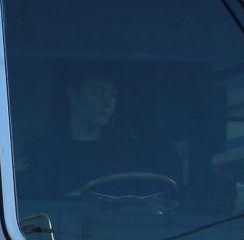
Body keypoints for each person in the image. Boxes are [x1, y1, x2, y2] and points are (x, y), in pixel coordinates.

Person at [17, 64, 181, 199]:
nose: (108, 102)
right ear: (73, 96)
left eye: (113, 95)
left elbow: (145, 198)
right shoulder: (42, 151)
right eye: (98, 93)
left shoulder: (128, 152)